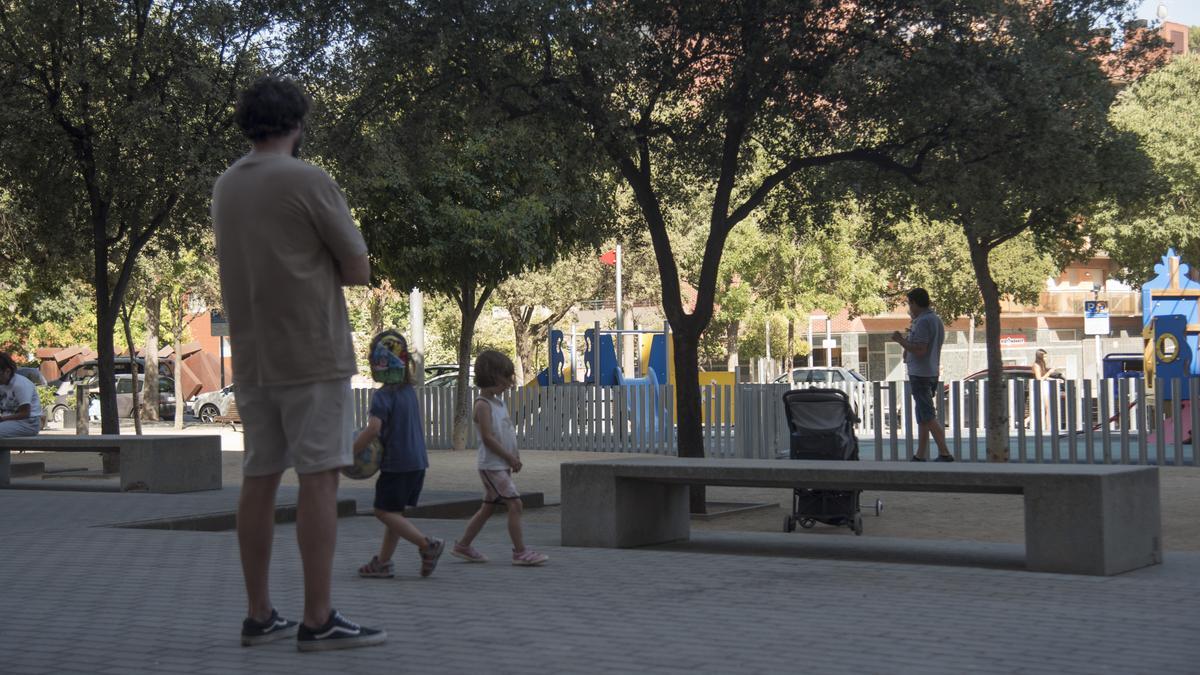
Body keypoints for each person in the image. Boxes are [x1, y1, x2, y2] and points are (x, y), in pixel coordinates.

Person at [212, 75, 384, 652]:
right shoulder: (309, 180)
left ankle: (258, 614)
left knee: (259, 478)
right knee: (320, 478)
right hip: (311, 352)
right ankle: (318, 617)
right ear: (297, 123)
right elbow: (358, 267)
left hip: (253, 356)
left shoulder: (225, 187)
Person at [355, 330, 445, 579]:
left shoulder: (382, 397)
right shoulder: (408, 393)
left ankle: (428, 545)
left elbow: (373, 429)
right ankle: (383, 563)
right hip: (417, 463)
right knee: (393, 514)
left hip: (397, 465)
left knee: (383, 512)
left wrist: (350, 452)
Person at [451, 350, 549, 566]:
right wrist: (509, 458)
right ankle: (520, 552)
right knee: (515, 505)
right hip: (492, 466)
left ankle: (463, 545)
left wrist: (514, 455)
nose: (509, 383)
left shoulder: (498, 403)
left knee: (487, 508)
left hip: (500, 464)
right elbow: (487, 438)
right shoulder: (482, 405)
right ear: (493, 376)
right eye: (506, 377)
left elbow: (506, 431)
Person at [890, 288, 953, 462]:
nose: (909, 308)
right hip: (930, 371)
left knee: (927, 414)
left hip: (921, 373)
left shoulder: (924, 321)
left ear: (915, 303)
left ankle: (945, 453)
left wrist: (900, 340)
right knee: (923, 415)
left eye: (910, 303)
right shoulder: (934, 320)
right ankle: (920, 454)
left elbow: (920, 349)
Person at [0, 353, 41, 438]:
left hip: (28, 423)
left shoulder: (20, 384)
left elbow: (25, 413)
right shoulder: (2, 383)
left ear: (7, 371)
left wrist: (3, 419)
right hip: (9, 421)